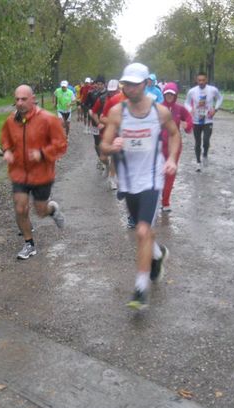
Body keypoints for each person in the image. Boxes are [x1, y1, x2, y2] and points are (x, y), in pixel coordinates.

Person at [100, 63, 180, 310]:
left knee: (142, 231)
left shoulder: (159, 112)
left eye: (135, 83)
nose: (129, 88)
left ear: (147, 84)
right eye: (126, 83)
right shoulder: (117, 112)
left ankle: (140, 289)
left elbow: (175, 135)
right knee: (143, 230)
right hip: (127, 179)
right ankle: (157, 255)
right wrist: (111, 147)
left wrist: (171, 159)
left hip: (152, 178)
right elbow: (103, 146)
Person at [1, 85, 68, 259]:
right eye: (17, 99)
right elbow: (5, 140)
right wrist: (7, 150)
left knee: (40, 211)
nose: (20, 103)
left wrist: (43, 153)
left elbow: (61, 144)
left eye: (23, 99)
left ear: (33, 98)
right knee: (20, 207)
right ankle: (29, 244)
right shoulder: (11, 121)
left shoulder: (48, 119)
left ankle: (52, 209)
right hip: (19, 172)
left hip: (42, 174)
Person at [161, 82, 193, 212]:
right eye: (167, 94)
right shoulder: (158, 107)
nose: (169, 96)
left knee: (170, 173)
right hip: (159, 146)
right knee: (159, 173)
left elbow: (190, 119)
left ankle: (166, 201)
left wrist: (188, 126)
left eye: (172, 94)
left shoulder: (179, 109)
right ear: (164, 94)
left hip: (174, 146)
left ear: (175, 95)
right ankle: (158, 196)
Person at [185, 72, 223, 172]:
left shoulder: (212, 90)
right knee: (198, 142)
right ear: (196, 80)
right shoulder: (192, 91)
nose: (201, 82)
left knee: (206, 140)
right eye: (199, 80)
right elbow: (186, 103)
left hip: (208, 120)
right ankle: (198, 162)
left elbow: (220, 98)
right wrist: (190, 109)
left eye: (203, 80)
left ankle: (205, 154)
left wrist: (215, 109)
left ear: (206, 80)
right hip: (196, 121)